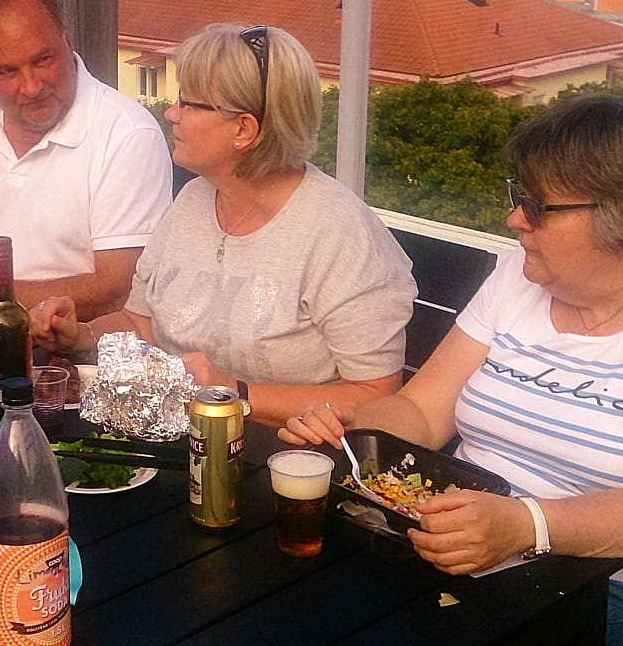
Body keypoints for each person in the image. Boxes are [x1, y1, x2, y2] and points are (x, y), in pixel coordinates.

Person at [280, 95, 623, 644]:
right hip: (468, 560)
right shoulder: (520, 276)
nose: (514, 218)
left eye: (540, 206)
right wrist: (352, 428)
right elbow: (421, 410)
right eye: (518, 195)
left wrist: (527, 525)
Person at [31, 23, 417, 426]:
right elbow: (140, 323)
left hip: (283, 460)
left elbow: (376, 395)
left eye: (188, 103)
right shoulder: (195, 198)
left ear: (244, 129)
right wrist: (80, 337)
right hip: (177, 441)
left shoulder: (339, 233)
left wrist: (232, 392)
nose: (171, 114)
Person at [0, 0, 171, 318]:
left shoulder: (127, 134)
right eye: (7, 71)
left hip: (74, 347)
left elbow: (119, 290)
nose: (31, 87)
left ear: (67, 40)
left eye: (43, 60)